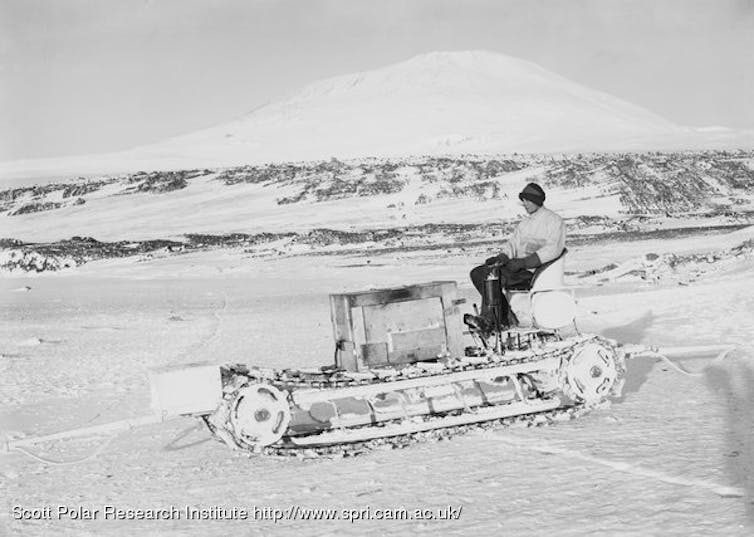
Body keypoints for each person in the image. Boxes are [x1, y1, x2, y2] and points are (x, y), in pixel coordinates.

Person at [467, 182, 566, 332]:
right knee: (478, 273)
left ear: (536, 200)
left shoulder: (553, 221)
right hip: (517, 268)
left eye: (527, 200)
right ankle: (501, 317)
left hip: (537, 273)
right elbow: (513, 244)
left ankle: (493, 320)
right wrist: (502, 257)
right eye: (523, 200)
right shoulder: (524, 224)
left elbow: (553, 249)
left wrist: (524, 263)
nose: (524, 204)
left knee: (492, 277)